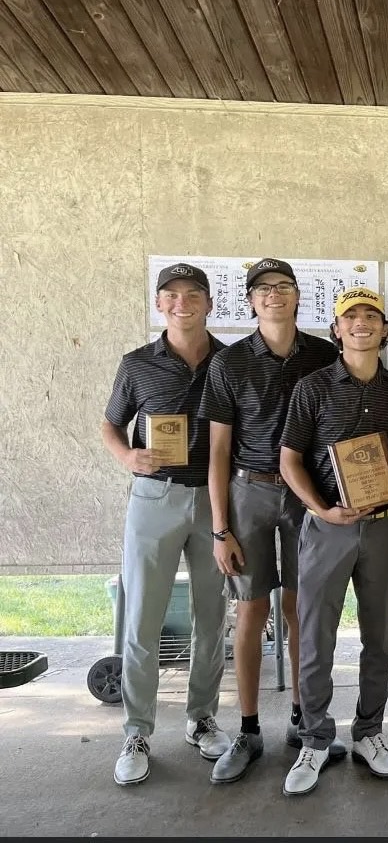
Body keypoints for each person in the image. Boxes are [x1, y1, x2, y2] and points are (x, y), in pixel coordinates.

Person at [198, 258, 340, 783]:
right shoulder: (229, 364)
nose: (273, 295)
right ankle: (249, 729)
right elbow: (217, 451)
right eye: (263, 289)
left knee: (303, 609)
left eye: (283, 287)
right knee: (252, 611)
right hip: (249, 493)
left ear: (299, 296)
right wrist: (220, 526)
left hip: (308, 497)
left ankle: (306, 722)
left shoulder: (326, 356)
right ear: (251, 302)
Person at [278, 287, 388, 796]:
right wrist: (321, 508)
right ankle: (315, 738)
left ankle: (369, 733)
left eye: (371, 316)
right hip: (326, 527)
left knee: (378, 636)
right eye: (350, 316)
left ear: (385, 329)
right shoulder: (312, 388)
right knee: (315, 638)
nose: (361, 323)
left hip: (383, 526)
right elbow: (289, 460)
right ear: (336, 329)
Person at [101, 263, 230, 786]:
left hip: (216, 502)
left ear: (208, 303)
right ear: (159, 304)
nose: (182, 302)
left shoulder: (230, 361)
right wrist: (127, 457)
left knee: (211, 616)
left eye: (192, 294)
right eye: (171, 295)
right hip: (154, 499)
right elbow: (111, 423)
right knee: (141, 620)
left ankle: (201, 718)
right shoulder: (137, 364)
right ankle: (136, 729)